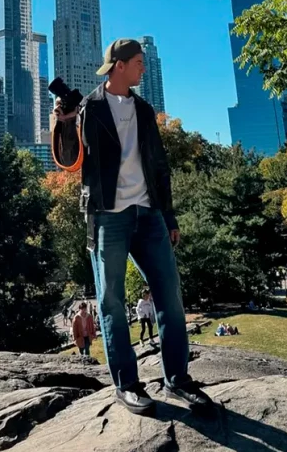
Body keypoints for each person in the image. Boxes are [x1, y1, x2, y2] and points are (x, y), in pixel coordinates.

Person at [54, 39, 212, 415]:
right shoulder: (87, 108)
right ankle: (127, 385)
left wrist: (169, 216)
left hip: (149, 214)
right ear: (119, 66)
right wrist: (62, 123)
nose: (144, 68)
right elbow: (69, 160)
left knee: (170, 297)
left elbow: (159, 166)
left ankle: (178, 379)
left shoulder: (142, 108)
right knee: (111, 302)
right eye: (139, 63)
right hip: (108, 215)